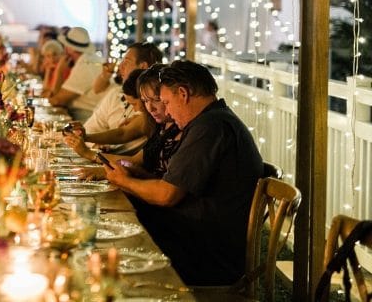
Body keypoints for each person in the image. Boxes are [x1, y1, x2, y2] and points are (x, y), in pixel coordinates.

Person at [102, 60, 264, 286]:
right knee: (109, 226)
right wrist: (133, 177)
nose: (166, 110)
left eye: (166, 102)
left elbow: (166, 195)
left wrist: (124, 181)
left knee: (107, 249)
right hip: (192, 235)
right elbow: (172, 183)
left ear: (183, 93)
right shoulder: (210, 120)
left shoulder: (211, 127)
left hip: (204, 253)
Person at [73, 64, 183, 181]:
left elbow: (123, 134)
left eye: (156, 100)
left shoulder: (181, 127)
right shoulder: (161, 126)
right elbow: (133, 162)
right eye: (145, 101)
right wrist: (98, 161)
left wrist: (89, 153)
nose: (149, 108)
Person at [78, 42, 163, 154]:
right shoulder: (116, 94)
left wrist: (86, 142)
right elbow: (91, 126)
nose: (120, 67)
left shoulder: (156, 107)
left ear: (143, 67)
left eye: (126, 62)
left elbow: (123, 134)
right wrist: (95, 146)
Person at [64, 69, 153, 163]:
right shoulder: (117, 94)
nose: (135, 110)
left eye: (134, 104)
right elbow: (123, 133)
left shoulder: (150, 117)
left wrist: (88, 153)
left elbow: (122, 134)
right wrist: (85, 137)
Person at [47, 27, 104, 121]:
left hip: (87, 118)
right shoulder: (92, 59)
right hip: (87, 115)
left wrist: (59, 71)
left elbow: (57, 100)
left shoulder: (86, 65)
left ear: (69, 48)